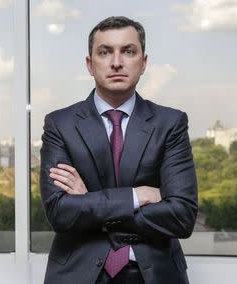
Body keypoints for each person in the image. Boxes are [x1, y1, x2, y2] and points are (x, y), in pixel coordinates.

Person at [39, 16, 198, 284]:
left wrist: (90, 201)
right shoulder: (59, 124)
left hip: (156, 273)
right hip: (78, 273)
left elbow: (181, 217)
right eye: (104, 52)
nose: (116, 62)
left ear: (143, 62)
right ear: (90, 64)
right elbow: (60, 213)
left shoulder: (170, 124)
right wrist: (137, 197)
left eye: (128, 51)